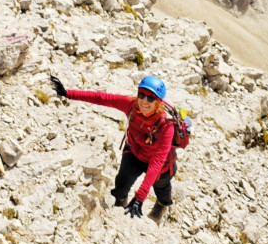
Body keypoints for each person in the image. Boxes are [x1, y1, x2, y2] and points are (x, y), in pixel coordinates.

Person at [50, 73, 175, 223]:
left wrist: (140, 196)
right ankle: (120, 204)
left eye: (150, 98)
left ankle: (162, 205)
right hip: (135, 153)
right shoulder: (131, 105)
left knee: (161, 186)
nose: (144, 101)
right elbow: (102, 98)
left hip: (162, 163)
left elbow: (157, 161)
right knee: (121, 183)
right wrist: (68, 93)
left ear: (158, 102)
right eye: (141, 95)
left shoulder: (166, 125)